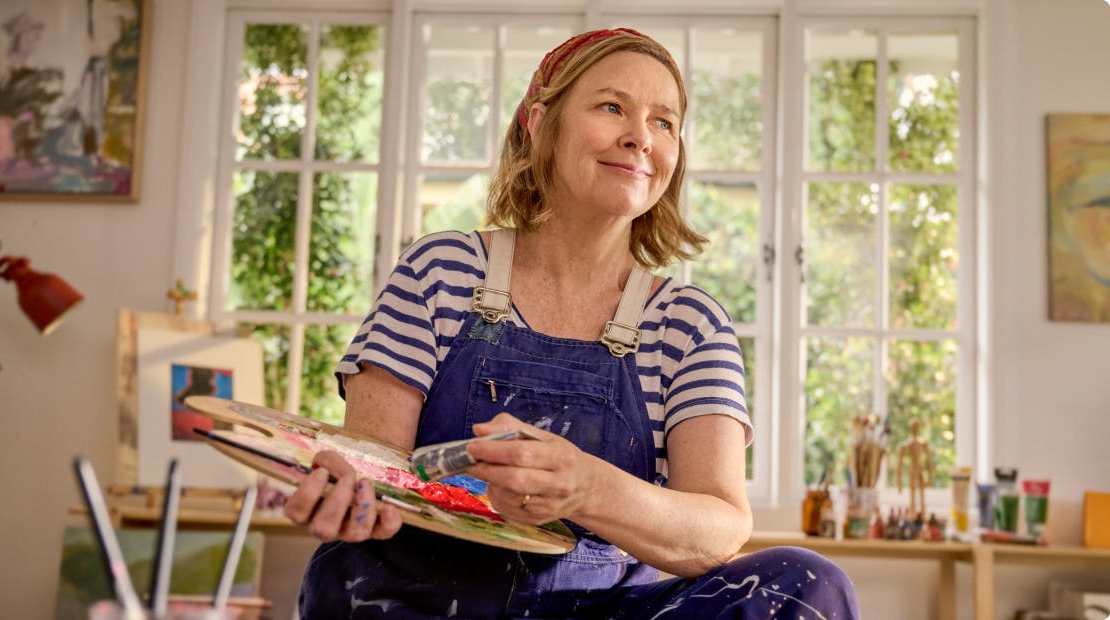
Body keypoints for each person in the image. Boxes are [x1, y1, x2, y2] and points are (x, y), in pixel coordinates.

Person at [284, 28, 860, 619]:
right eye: (612, 107)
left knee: (808, 583)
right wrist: (350, 489)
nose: (641, 136)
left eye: (664, 122)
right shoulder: (441, 270)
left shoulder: (689, 323)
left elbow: (717, 530)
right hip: (427, 601)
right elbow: (374, 461)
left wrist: (586, 486)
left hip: (614, 609)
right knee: (349, 568)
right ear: (539, 123)